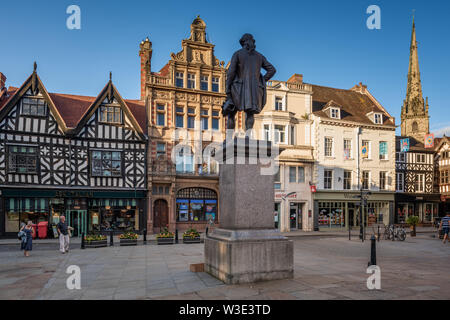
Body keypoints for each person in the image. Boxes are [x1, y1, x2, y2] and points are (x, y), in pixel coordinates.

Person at [223, 33, 276, 131]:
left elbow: (231, 72)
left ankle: (230, 138)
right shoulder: (259, 56)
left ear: (243, 42)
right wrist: (261, 81)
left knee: (231, 112)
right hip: (253, 89)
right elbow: (272, 70)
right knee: (250, 113)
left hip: (237, 88)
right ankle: (248, 137)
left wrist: (227, 88)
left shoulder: (237, 54)